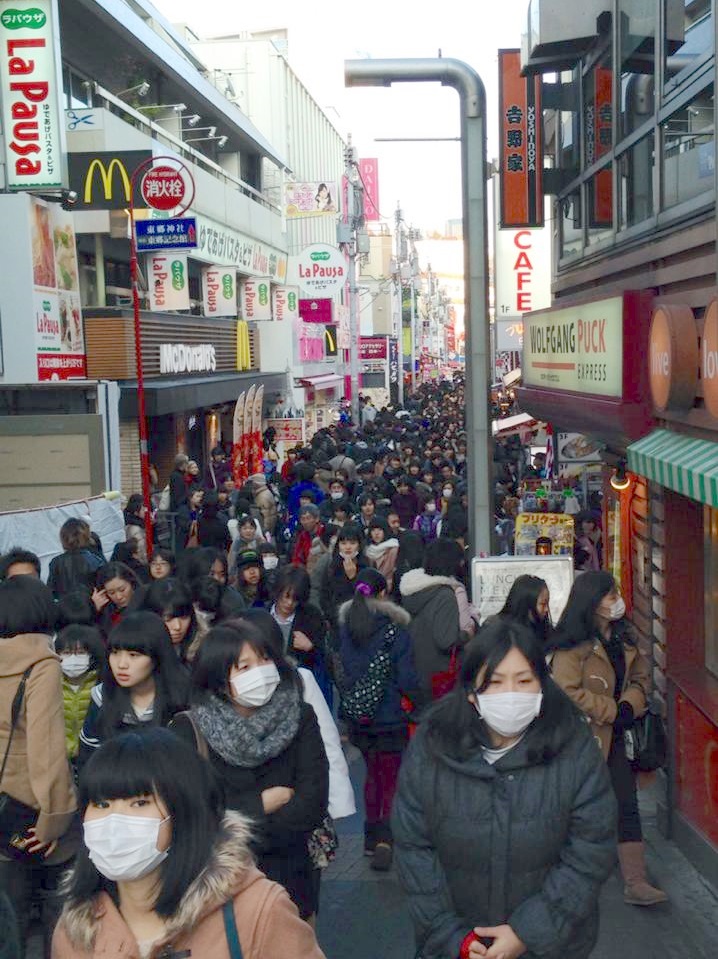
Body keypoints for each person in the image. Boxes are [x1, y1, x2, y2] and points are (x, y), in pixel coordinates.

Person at [392, 619, 617, 959]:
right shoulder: (432, 746)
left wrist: (528, 932)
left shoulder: (575, 747)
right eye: (494, 682)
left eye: (524, 680)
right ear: (471, 693)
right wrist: (453, 938)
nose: (510, 693)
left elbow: (590, 850)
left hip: (553, 946)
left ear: (542, 684)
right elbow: (413, 848)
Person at [51, 729, 327, 959]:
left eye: (139, 803)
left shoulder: (257, 911)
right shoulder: (77, 926)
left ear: (184, 812)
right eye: (101, 804)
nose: (114, 821)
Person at [171, 618, 329, 921]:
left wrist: (234, 821)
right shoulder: (189, 730)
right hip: (218, 892)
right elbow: (195, 815)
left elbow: (312, 803)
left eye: (265, 659)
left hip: (289, 884)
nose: (260, 671)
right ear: (218, 677)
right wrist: (261, 805)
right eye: (244, 667)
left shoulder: (300, 716)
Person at [548, 571, 666, 906]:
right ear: (592, 601)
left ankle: (635, 880)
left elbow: (643, 678)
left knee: (626, 804)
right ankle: (561, 877)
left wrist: (631, 703)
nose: (617, 601)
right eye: (610, 595)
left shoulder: (624, 637)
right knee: (575, 807)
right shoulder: (571, 645)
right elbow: (566, 691)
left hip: (620, 738)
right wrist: (612, 710)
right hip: (582, 738)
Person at [0, 577, 77, 959]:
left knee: (8, 915)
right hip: (28, 810)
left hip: (0, 809)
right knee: (53, 911)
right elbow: (47, 752)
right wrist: (55, 819)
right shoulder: (41, 664)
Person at [337, 569, 420, 871]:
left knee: (372, 774)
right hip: (390, 718)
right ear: (383, 594)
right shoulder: (395, 631)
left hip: (360, 719)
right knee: (391, 777)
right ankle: (386, 837)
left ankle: (370, 837)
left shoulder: (346, 630)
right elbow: (407, 678)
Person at [78, 611, 189, 768]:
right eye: (115, 653)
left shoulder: (184, 699)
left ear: (157, 656)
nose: (122, 664)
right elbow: (88, 757)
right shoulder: (102, 696)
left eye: (133, 655)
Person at [399, 538, 469, 697]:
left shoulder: (413, 590)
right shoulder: (444, 595)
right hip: (440, 677)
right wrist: (467, 634)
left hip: (416, 671)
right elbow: (446, 641)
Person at [270, 565, 331, 707]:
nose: (289, 603)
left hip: (301, 689)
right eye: (286, 596)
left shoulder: (312, 616)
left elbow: (326, 659)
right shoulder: (262, 615)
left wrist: (311, 647)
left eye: (295, 599)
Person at [55, 624, 104, 769]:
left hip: (94, 759)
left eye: (81, 652)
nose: (73, 659)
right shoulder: (50, 683)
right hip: (59, 760)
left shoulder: (101, 685)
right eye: (66, 652)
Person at [319, 523, 367, 638]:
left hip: (361, 624)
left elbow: (369, 596)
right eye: (343, 543)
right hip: (337, 625)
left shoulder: (367, 567)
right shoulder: (332, 567)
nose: (348, 547)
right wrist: (333, 617)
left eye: (352, 543)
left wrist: (353, 578)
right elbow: (324, 596)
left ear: (359, 545)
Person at [139, 578, 197, 664]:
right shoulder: (137, 651)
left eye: (184, 617)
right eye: (167, 619)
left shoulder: (202, 649)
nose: (177, 626)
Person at [47, 518, 105, 599]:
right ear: (86, 537)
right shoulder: (96, 561)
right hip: (91, 607)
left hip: (65, 608)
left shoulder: (56, 562)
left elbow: (51, 592)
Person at [496, 574, 552, 646]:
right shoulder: (501, 633)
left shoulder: (547, 633)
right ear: (526, 603)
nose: (547, 609)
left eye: (547, 603)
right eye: (543, 604)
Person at [92, 562, 140, 635]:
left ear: (132, 584)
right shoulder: (104, 613)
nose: (119, 597)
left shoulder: (146, 601)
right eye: (111, 593)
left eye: (122, 590)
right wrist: (94, 609)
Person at [364, 518, 399, 592]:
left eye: (380, 530)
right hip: (371, 588)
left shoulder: (393, 548)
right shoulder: (367, 550)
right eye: (373, 530)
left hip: (390, 588)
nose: (376, 533)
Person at [123, 494, 147, 565]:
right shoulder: (135, 529)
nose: (146, 511)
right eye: (143, 509)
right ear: (136, 512)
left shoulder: (130, 521)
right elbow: (141, 549)